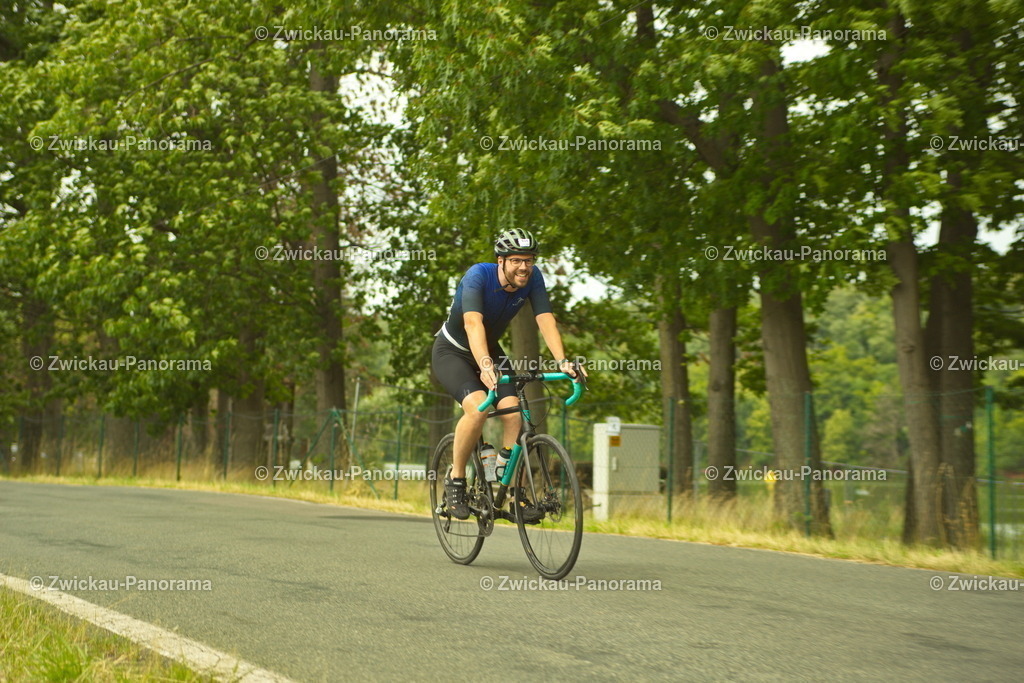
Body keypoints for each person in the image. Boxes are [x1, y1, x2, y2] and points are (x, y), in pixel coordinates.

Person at [431, 228, 584, 521]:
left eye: (529, 260)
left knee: (514, 414)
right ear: (500, 261)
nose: (524, 267)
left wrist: (563, 361)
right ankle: (456, 480)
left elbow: (545, 318)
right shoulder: (478, 276)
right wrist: (485, 364)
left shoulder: (532, 278)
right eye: (516, 260)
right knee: (477, 409)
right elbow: (473, 324)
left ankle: (513, 490)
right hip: (453, 351)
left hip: (489, 349)